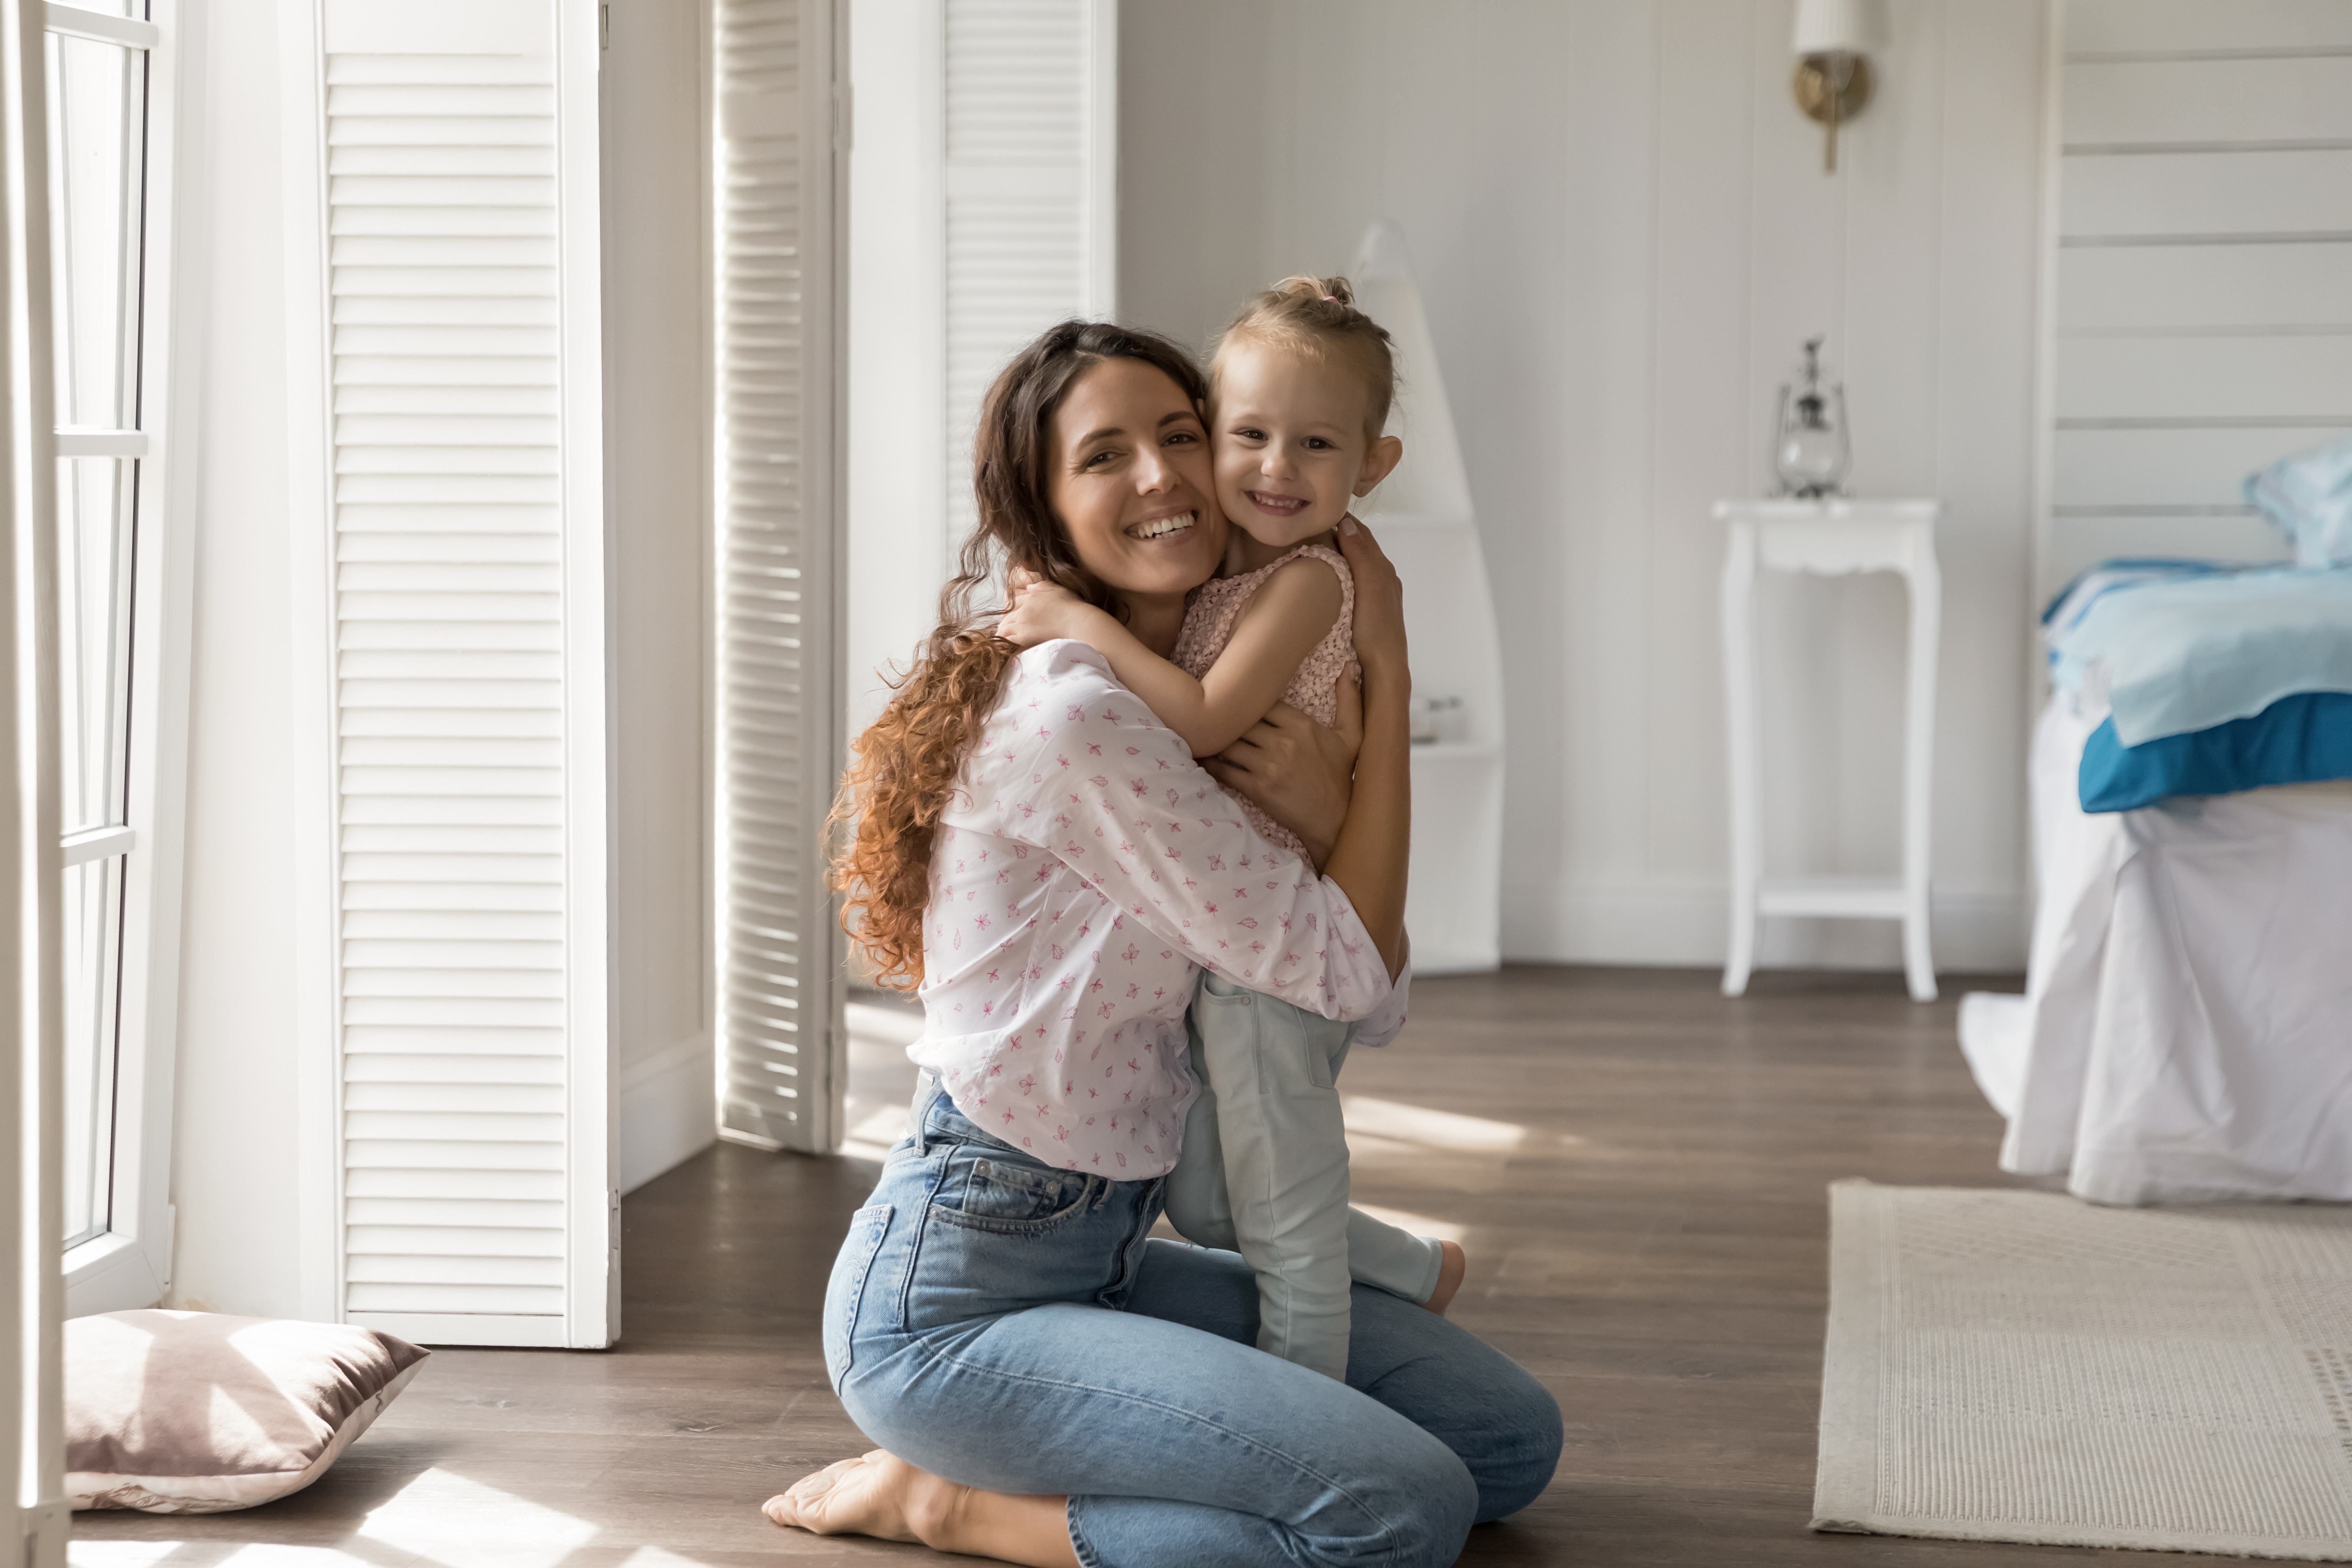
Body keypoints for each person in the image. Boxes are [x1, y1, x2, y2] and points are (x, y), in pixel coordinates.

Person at [772, 319, 1560, 1567]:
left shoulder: (1191, 687)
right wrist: (1388, 670)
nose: (1160, 476)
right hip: (958, 1298)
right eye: (1104, 456)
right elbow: (1348, 970)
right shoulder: (1087, 716)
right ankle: (946, 1502)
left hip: (1111, 1250)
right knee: (1402, 1511)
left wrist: (1329, 809)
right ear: (1043, 509)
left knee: (1506, 1442)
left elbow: (1352, 979)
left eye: (1182, 434)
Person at [996, 277, 1460, 1385]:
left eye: (1316, 445)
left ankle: (1308, 1418)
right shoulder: (1229, 578)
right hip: (1238, 941)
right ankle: (1417, 1268)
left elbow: (1202, 719)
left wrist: (1074, 621)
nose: (1275, 468)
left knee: (1287, 1238)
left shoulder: (1307, 583)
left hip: (1276, 965)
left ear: (1373, 466)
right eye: (1248, 435)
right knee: (1208, 1202)